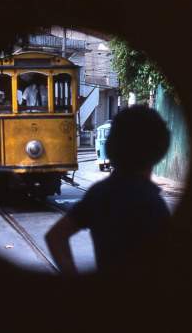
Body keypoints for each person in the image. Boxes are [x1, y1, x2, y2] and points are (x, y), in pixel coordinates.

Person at [45, 105, 171, 275]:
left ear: (111, 147)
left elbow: (55, 236)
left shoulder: (99, 193)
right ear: (159, 151)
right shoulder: (153, 204)